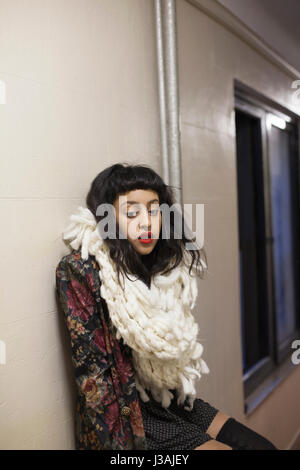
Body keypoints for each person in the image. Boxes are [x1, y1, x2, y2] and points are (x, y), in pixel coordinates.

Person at [55, 163, 278, 450]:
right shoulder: (81, 270)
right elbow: (94, 381)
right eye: (132, 212)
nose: (146, 222)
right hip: (127, 416)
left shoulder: (157, 267)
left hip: (166, 400)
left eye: (154, 209)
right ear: (107, 217)